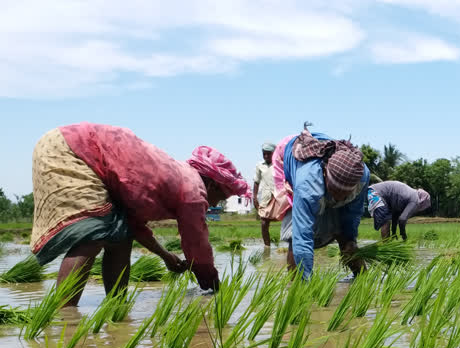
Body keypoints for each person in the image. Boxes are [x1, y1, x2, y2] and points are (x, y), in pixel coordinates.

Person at [30, 122, 251, 306]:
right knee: (94, 233)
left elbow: (134, 227)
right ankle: (64, 317)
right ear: (211, 184)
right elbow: (196, 244)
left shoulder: (177, 177)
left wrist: (165, 256)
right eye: (221, 197)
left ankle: (116, 307)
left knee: (120, 237)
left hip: (68, 145)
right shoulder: (194, 189)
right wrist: (210, 280)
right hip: (72, 150)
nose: (216, 203)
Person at [272, 127, 369, 279]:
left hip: (324, 171)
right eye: (335, 193)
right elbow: (302, 237)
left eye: (344, 196)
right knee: (295, 234)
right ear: (324, 174)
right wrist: (307, 283)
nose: (338, 200)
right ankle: (297, 286)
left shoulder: (361, 175)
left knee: (345, 235)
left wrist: (350, 240)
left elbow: (353, 214)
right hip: (289, 157)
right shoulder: (307, 184)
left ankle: (363, 281)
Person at [253, 142, 280, 247]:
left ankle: (290, 245)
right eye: (264, 154)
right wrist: (254, 197)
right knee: (264, 222)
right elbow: (256, 182)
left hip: (278, 196)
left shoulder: (279, 164)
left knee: (286, 219)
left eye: (269, 154)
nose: (266, 156)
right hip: (265, 196)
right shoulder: (260, 166)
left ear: (274, 153)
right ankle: (267, 247)